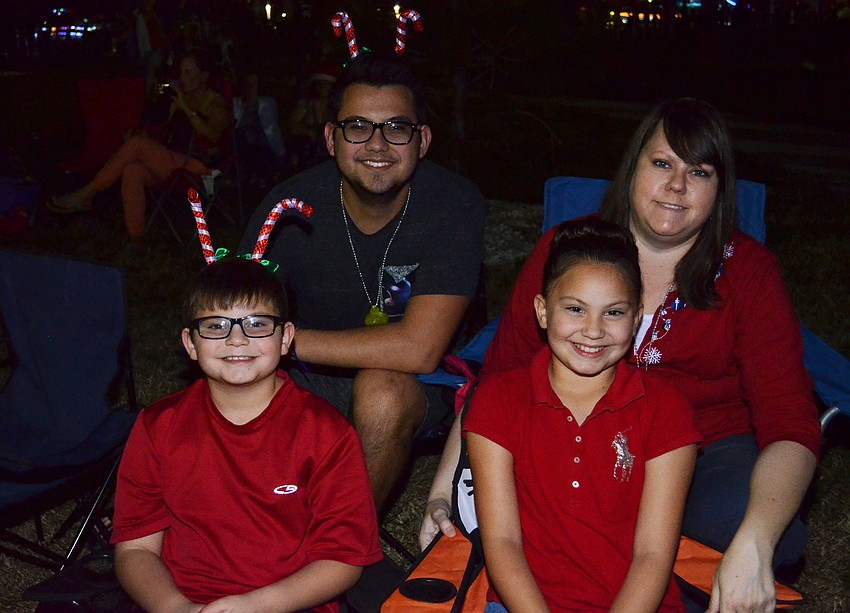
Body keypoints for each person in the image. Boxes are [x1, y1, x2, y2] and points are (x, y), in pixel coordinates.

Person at [422, 98, 821, 613]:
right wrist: (443, 491)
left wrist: (756, 539)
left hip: (701, 450)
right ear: (633, 167)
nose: (676, 186)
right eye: (662, 164)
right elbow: (497, 384)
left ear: (719, 189)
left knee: (762, 530)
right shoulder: (569, 250)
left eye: (697, 171)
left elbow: (790, 421)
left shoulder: (748, 273)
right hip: (569, 436)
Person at [239, 52, 486, 513]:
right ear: (331, 138)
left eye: (396, 127)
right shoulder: (287, 208)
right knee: (232, 374)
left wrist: (279, 342)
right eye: (357, 127)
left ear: (423, 140)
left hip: (419, 381)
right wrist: (255, 347)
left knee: (381, 393)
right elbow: (237, 315)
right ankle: (246, 529)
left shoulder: (453, 205)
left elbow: (420, 349)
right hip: (312, 375)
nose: (377, 145)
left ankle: (339, 549)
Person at [110, 256, 383, 612]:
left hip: (288, 602)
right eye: (215, 326)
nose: (236, 340)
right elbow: (135, 549)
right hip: (182, 599)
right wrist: (175, 607)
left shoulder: (326, 434)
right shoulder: (158, 426)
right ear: (190, 344)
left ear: (285, 338)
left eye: (256, 324)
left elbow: (344, 560)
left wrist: (256, 606)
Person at [466, 218, 700, 612]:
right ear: (542, 311)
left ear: (637, 317)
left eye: (613, 313)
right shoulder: (498, 401)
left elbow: (653, 555)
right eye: (575, 309)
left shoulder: (665, 409)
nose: (593, 331)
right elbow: (503, 542)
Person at [48, 48, 229, 243]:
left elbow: (213, 135)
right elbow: (169, 137)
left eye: (188, 73)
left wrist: (185, 108)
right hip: (173, 162)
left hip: (198, 167)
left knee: (135, 146)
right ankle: (137, 237)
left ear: (204, 76)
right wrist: (149, 135)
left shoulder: (215, 102)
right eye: (181, 72)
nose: (182, 78)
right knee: (133, 169)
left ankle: (86, 194)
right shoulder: (179, 99)